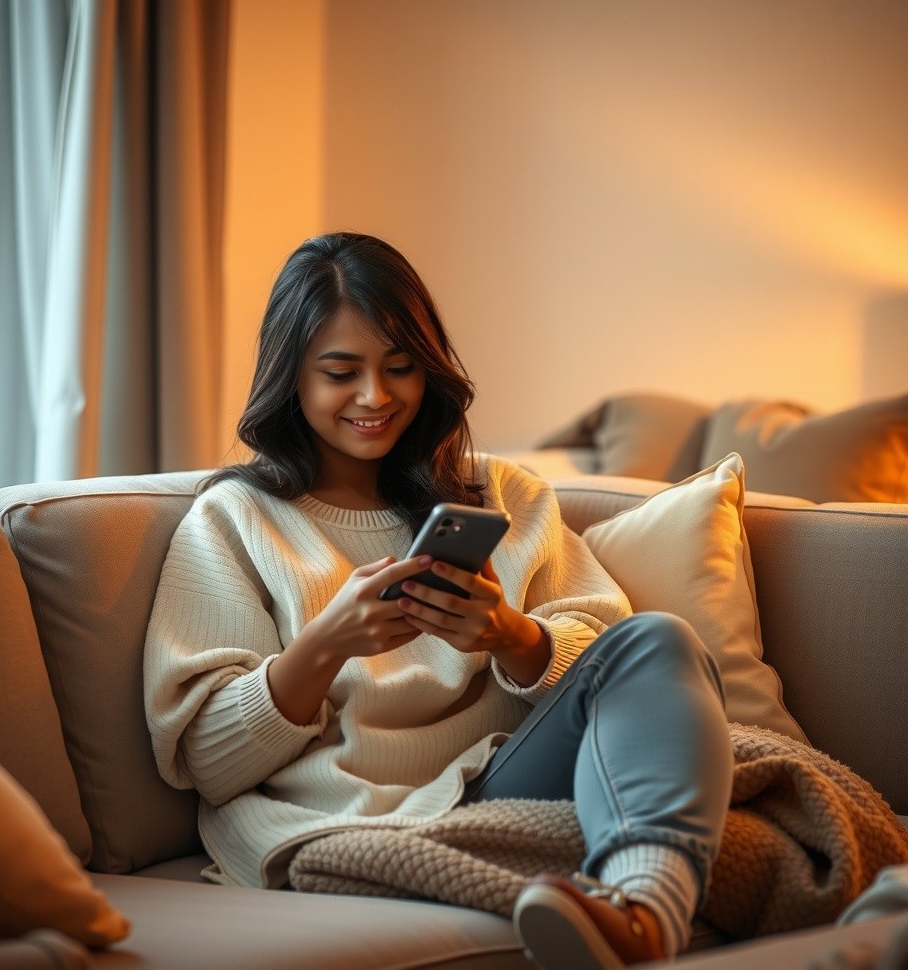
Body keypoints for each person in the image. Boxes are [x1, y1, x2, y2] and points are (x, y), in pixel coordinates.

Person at [143, 231, 734, 969]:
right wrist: (324, 646)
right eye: (340, 372)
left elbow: (613, 660)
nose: (375, 397)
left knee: (661, 638)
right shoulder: (235, 521)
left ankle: (642, 916)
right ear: (290, 376)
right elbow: (207, 759)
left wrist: (514, 636)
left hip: (502, 778)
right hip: (338, 809)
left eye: (401, 368)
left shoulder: (503, 496)